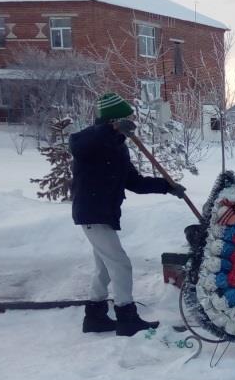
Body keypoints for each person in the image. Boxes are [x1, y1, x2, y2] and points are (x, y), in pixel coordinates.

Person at [70, 92, 187, 336]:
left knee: (104, 268)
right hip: (93, 213)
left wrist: (168, 187)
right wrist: (109, 129)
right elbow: (79, 142)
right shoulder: (90, 143)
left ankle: (95, 317)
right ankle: (126, 317)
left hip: (105, 214)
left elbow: (135, 182)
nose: (130, 124)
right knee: (121, 265)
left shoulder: (118, 148)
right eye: (125, 119)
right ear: (114, 120)